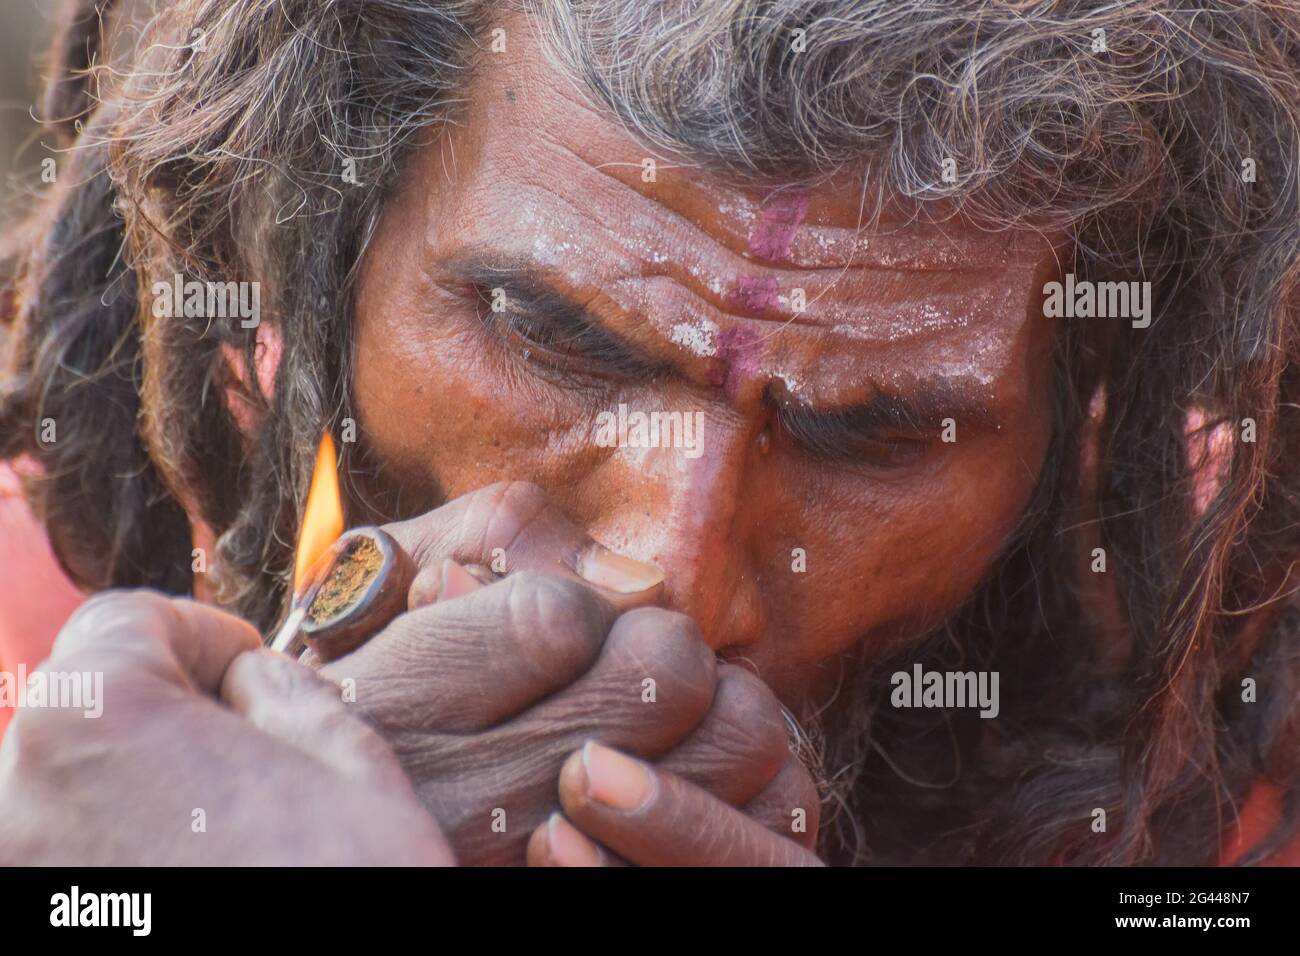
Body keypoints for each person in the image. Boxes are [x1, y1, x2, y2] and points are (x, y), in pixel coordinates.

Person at [1, 0, 1298, 866]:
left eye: (875, 437)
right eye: (553, 339)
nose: (667, 577)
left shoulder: (1219, 747)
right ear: (318, 255)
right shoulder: (40, 682)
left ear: (1086, 422)